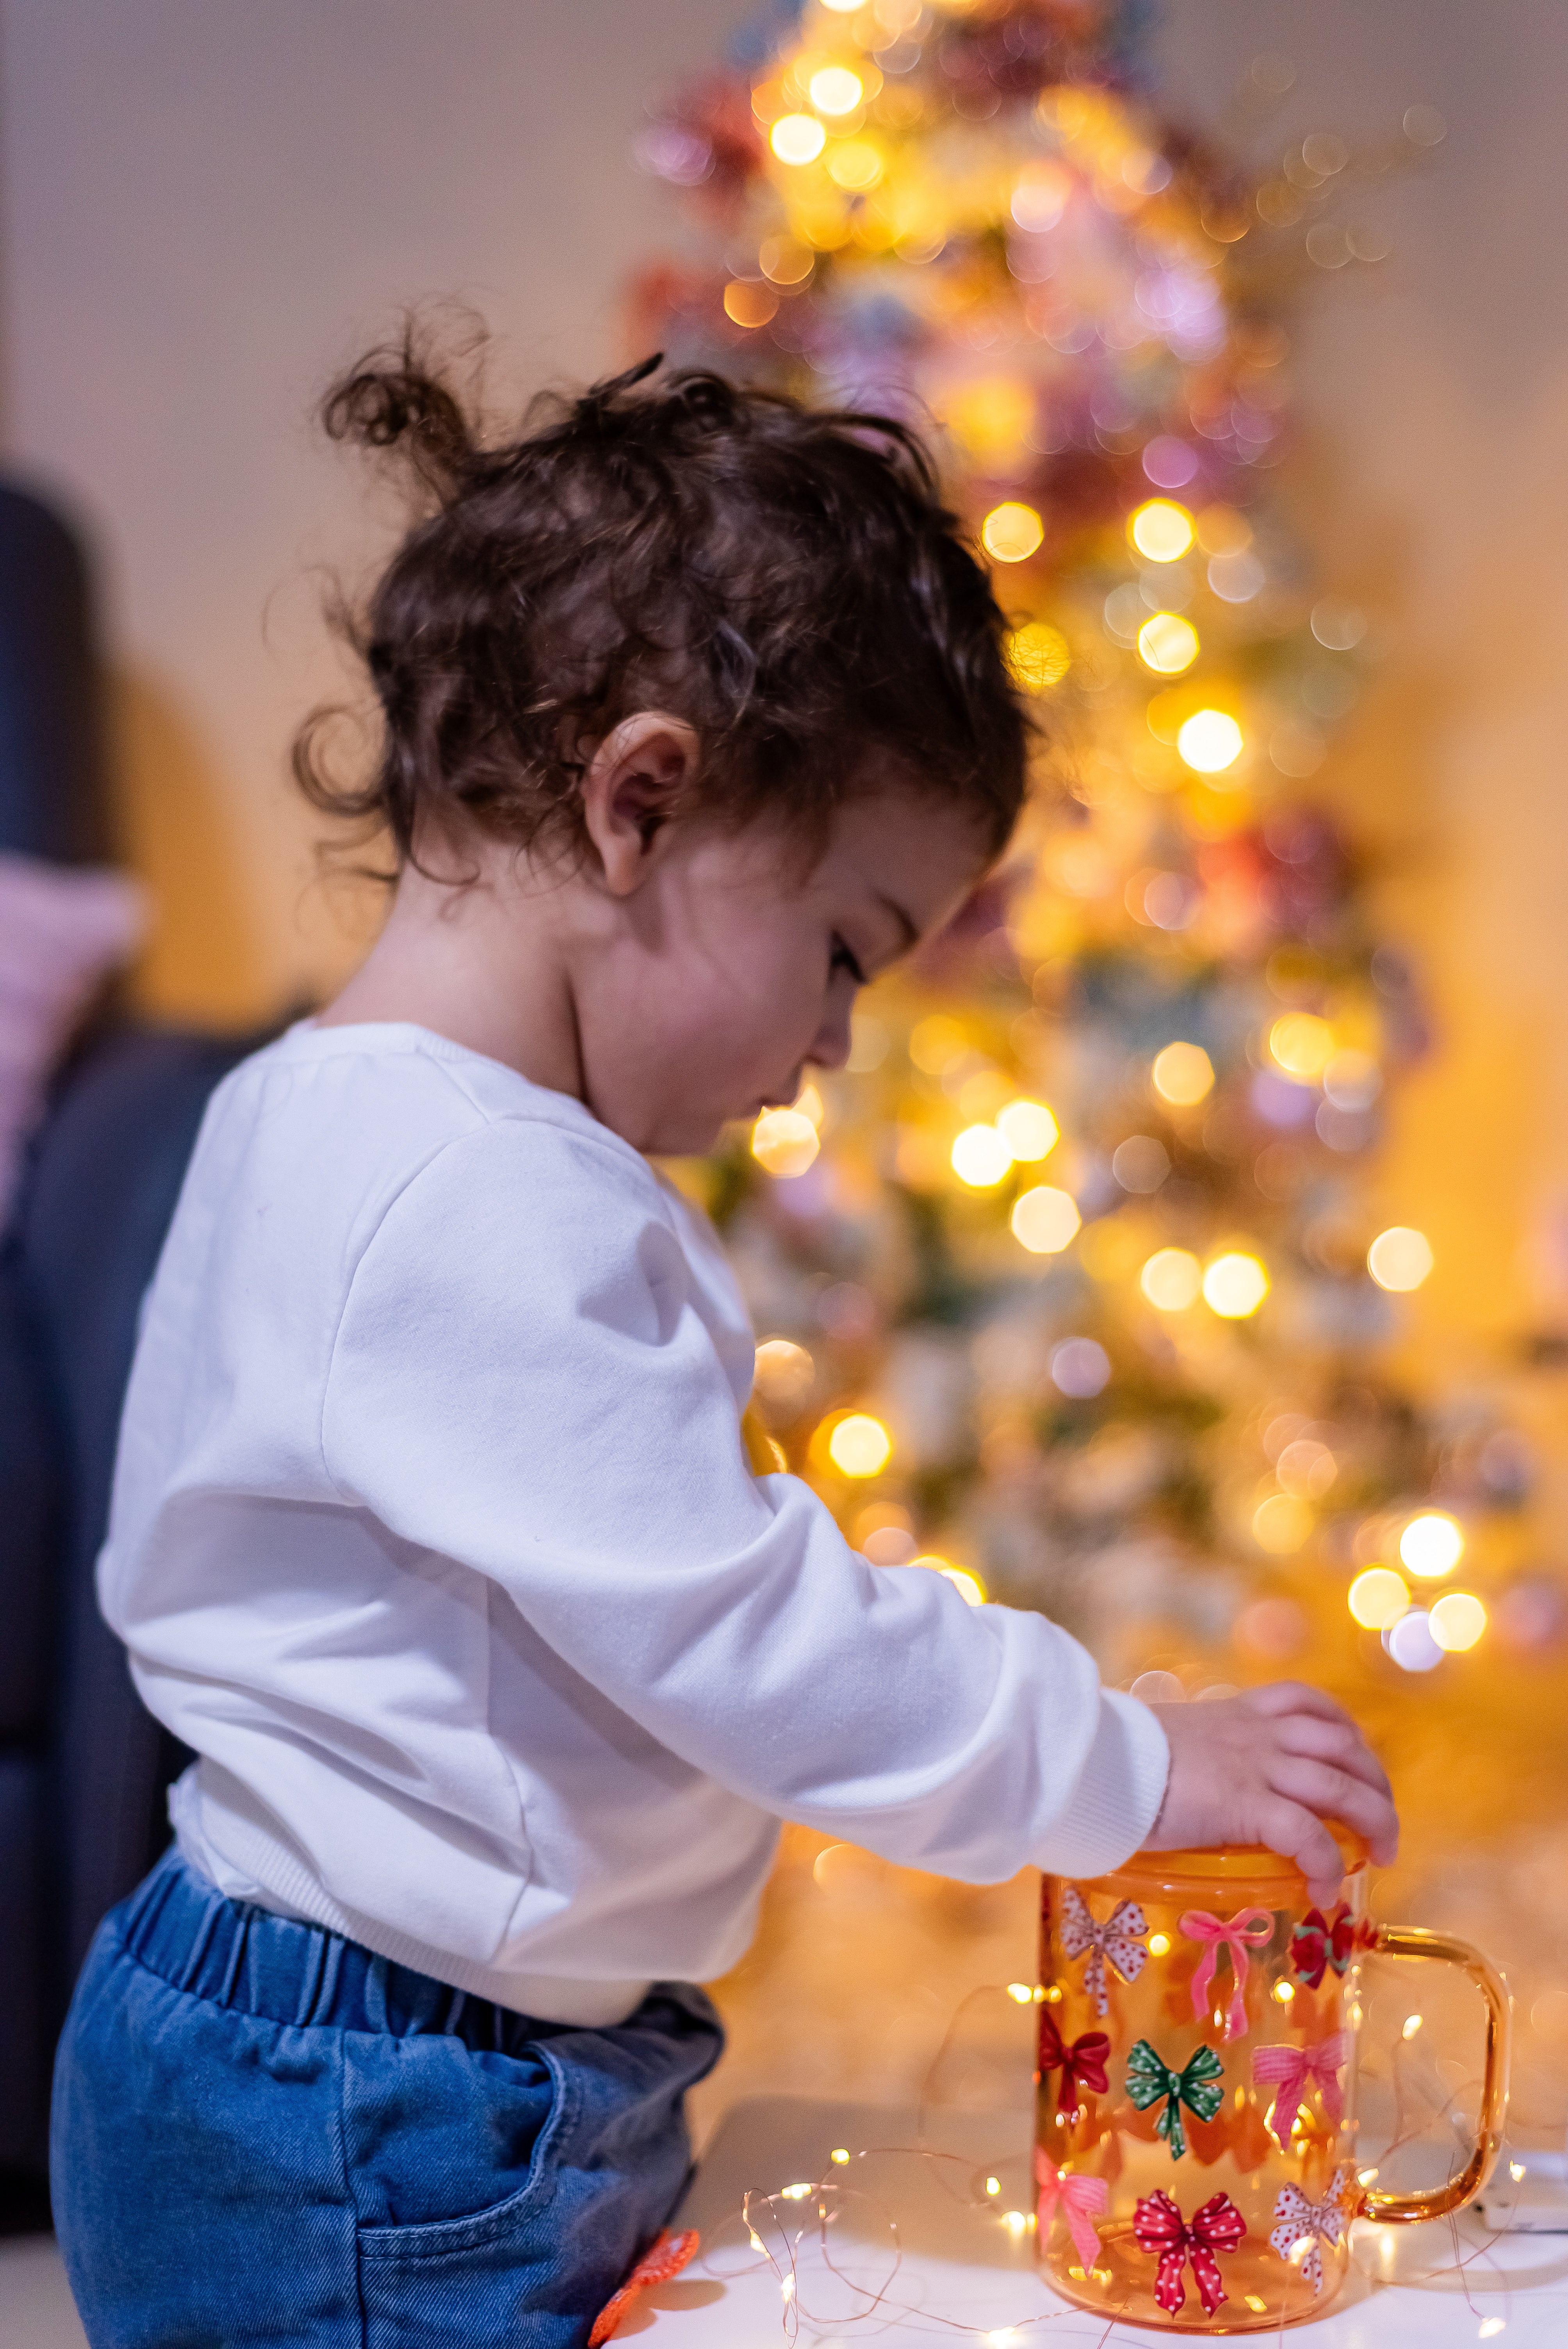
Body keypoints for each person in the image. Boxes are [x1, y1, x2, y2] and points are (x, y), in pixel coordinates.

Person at [52, 345, 1397, 2348]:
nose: (835, 1042)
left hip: (383, 2044)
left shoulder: (321, 1113)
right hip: (372, 2105)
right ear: (642, 799)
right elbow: (750, 1636)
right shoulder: (468, 1195)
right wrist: (1125, 1763)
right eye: (845, 948)